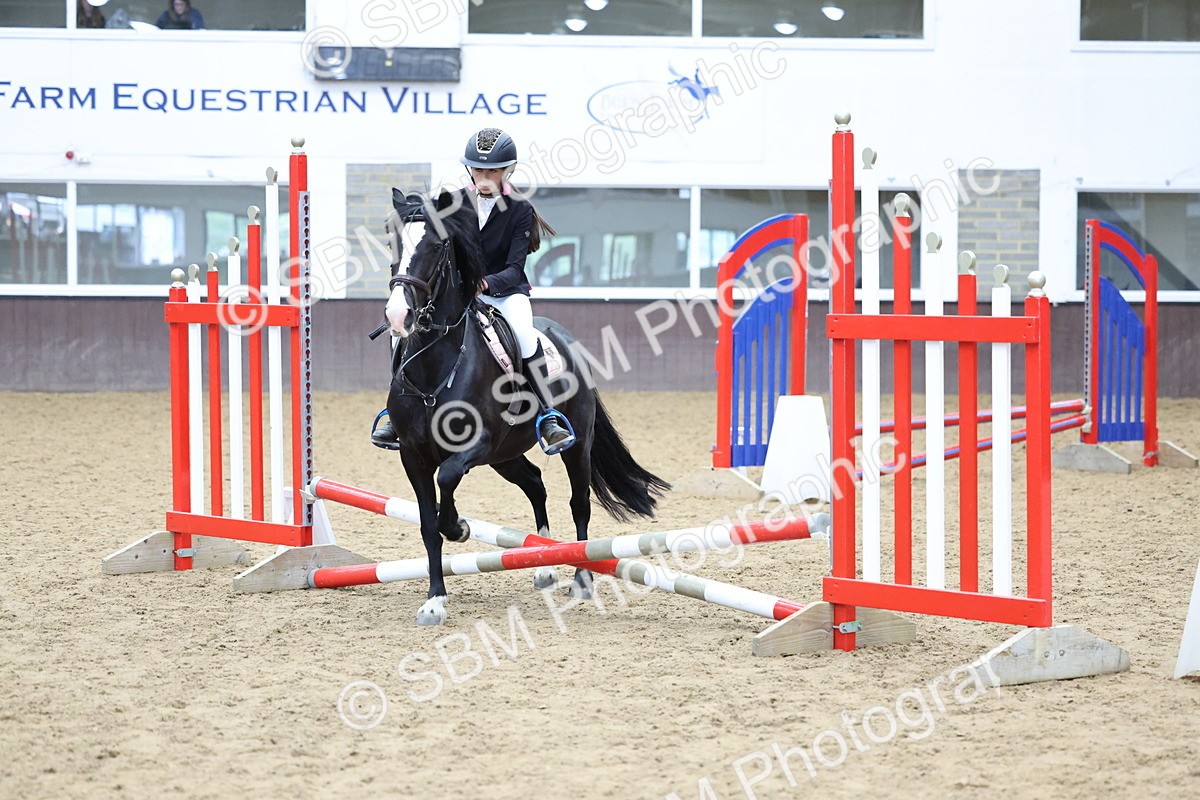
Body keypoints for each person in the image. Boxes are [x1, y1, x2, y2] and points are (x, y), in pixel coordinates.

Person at [373, 127, 574, 455]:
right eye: (478, 170)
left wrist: (486, 283)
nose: (484, 177)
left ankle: (547, 416)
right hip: (461, 296)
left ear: (507, 170)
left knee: (525, 335)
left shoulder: (520, 210)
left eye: (492, 171)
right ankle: (396, 414)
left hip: (506, 293)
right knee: (400, 332)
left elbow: (515, 267)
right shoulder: (452, 205)